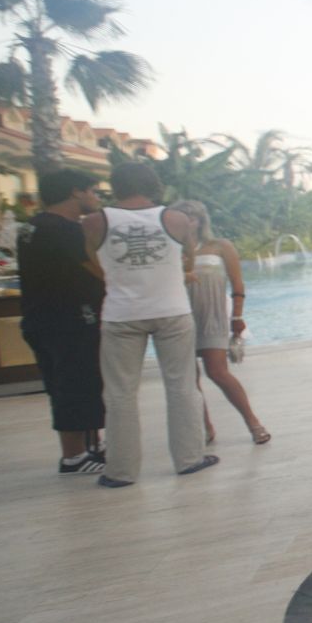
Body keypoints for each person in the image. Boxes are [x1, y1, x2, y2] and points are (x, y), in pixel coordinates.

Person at [84, 161, 216, 487]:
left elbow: (94, 262)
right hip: (171, 308)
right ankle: (189, 458)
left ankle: (121, 471)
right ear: (152, 184)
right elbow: (187, 259)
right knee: (182, 386)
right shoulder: (176, 219)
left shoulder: (94, 221)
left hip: (120, 313)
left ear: (116, 185)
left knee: (120, 394)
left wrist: (123, 280)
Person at [17, 167, 107, 474]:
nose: (95, 197)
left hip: (42, 318)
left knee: (69, 382)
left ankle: (91, 446)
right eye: (92, 191)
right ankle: (75, 455)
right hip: (69, 319)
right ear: (75, 192)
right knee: (75, 383)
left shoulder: (32, 226)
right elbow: (95, 270)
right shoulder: (65, 231)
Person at [170, 199, 270, 446]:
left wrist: (237, 316)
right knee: (188, 378)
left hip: (213, 316)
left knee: (218, 372)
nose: (187, 220)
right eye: (182, 215)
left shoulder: (220, 246)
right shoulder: (172, 249)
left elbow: (237, 284)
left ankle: (253, 422)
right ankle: (204, 428)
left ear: (200, 219)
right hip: (180, 314)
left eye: (191, 216)